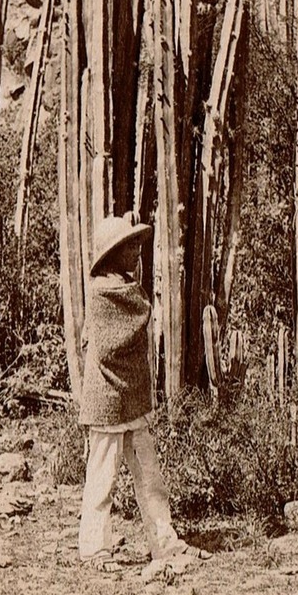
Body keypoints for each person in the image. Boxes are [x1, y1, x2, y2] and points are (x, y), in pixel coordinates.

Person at [76, 213, 196, 563]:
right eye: (131, 245)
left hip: (129, 398)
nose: (137, 252)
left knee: (149, 475)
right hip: (107, 400)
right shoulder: (106, 293)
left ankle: (165, 541)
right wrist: (142, 304)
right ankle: (95, 548)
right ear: (114, 252)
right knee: (102, 477)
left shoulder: (122, 289)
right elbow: (118, 336)